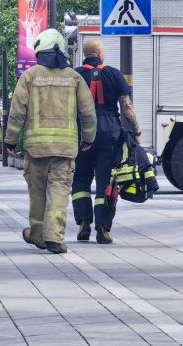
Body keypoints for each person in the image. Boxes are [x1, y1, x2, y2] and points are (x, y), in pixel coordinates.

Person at [5, 29, 96, 255]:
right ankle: (54, 237)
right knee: (59, 192)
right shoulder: (74, 77)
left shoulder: (30, 76)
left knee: (37, 192)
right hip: (65, 149)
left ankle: (37, 235)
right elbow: (88, 113)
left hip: (36, 148)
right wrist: (88, 138)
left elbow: (17, 112)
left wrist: (10, 141)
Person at [71, 39, 141, 244]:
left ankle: (84, 222)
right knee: (106, 180)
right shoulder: (114, 73)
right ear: (100, 54)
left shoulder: (76, 75)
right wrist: (136, 130)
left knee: (81, 178)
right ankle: (103, 228)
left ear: (85, 54)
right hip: (109, 132)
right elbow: (126, 106)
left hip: (83, 132)